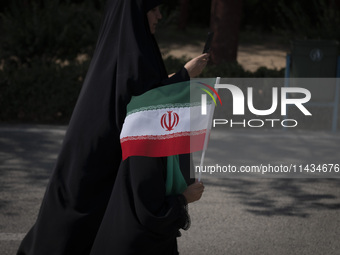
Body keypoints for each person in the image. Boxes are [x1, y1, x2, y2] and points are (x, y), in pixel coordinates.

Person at [17, 0, 208, 254]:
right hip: (99, 161)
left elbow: (141, 90)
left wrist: (183, 75)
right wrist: (184, 75)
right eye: (153, 9)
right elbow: (142, 103)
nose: (160, 15)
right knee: (75, 227)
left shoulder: (123, 49)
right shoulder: (135, 54)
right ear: (137, 14)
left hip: (98, 155)